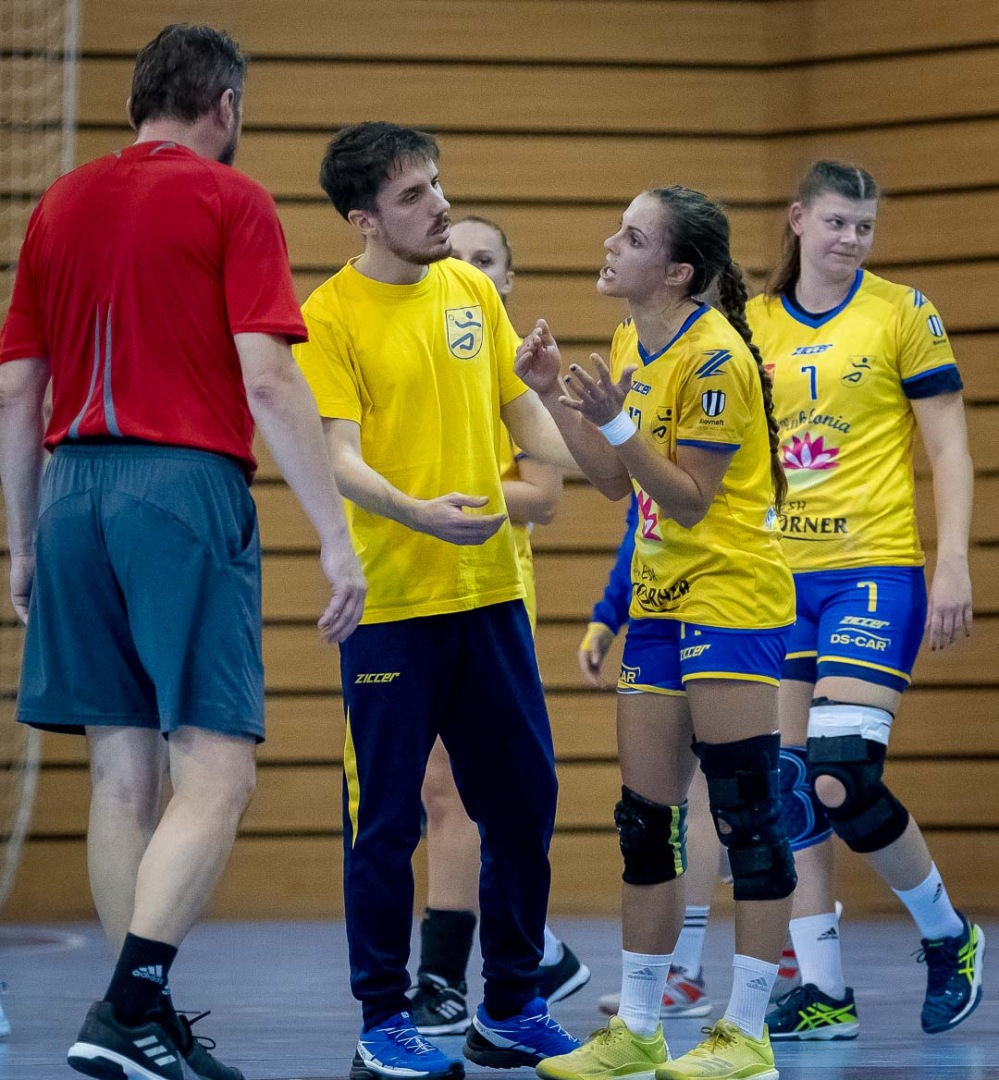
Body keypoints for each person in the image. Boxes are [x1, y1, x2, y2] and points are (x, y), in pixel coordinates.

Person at [0, 24, 365, 1080]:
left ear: (138, 101)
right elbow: (269, 378)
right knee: (217, 772)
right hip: (179, 491)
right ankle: (128, 1009)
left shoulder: (59, 204)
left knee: (122, 775)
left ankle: (136, 1019)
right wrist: (335, 537)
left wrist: (20, 540)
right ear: (225, 105)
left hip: (71, 492)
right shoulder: (230, 199)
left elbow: (17, 388)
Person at [293, 122, 585, 1080]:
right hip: (392, 606)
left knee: (524, 802)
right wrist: (417, 512)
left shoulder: (469, 289)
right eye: (413, 194)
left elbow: (524, 415)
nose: (440, 206)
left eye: (436, 185)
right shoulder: (329, 315)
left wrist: (595, 454)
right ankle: (383, 1021)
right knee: (385, 821)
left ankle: (510, 1007)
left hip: (489, 595)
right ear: (362, 219)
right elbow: (337, 457)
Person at [519, 184, 796, 1080]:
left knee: (747, 815)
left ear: (677, 271)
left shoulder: (715, 358)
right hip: (659, 601)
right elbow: (614, 481)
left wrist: (612, 417)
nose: (610, 243)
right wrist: (554, 398)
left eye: (632, 237)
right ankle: (638, 1029)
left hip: (730, 599)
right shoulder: (632, 339)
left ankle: (745, 1035)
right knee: (645, 824)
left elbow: (688, 498)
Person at [747, 160, 984, 1040]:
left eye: (864, 226)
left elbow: (948, 448)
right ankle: (823, 991)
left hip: (872, 572)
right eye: (836, 222)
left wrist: (950, 561)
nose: (850, 238)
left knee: (840, 776)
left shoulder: (901, 312)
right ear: (797, 219)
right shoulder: (752, 323)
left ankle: (947, 935)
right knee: (787, 788)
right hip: (777, 581)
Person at [410, 216, 588, 1038]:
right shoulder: (419, 352)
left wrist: (426, 490)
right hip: (409, 583)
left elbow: (542, 497)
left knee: (454, 785)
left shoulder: (515, 366)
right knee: (427, 788)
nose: (467, 269)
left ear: (506, 281)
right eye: (455, 256)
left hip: (490, 588)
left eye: (485, 260)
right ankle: (538, 950)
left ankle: (443, 977)